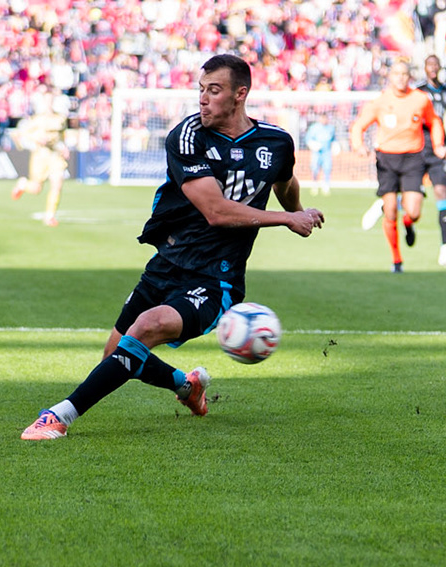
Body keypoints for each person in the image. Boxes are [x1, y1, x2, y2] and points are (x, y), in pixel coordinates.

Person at [21, 55, 323, 441]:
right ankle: (186, 385)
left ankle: (57, 416)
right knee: (115, 354)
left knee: (146, 327)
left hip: (218, 277)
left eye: (214, 90)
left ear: (240, 94)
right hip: (168, 260)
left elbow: (284, 181)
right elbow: (215, 212)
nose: (203, 99)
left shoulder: (276, 142)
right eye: (201, 89)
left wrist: (298, 213)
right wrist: (286, 220)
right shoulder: (187, 136)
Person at [363, 60, 442, 274]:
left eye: (404, 74)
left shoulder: (420, 99)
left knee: (414, 211)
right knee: (390, 211)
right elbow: (358, 126)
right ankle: (397, 260)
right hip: (386, 159)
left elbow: (434, 122)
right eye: (396, 73)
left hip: (413, 158)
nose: (400, 77)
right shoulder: (380, 101)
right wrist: (359, 146)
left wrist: (439, 144)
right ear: (390, 76)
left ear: (410, 77)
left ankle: (408, 222)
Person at [418, 55, 446, 266]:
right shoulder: (418, 91)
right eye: (429, 64)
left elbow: (443, 123)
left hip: (438, 149)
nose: (433, 68)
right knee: (411, 199)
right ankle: (387, 208)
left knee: (442, 192)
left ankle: (445, 247)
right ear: (425, 68)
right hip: (418, 147)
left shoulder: (445, 92)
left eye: (436, 64)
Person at [9, 109, 69, 225]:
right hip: (40, 156)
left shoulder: (60, 118)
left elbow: (62, 136)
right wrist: (36, 138)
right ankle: (23, 184)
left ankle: (50, 216)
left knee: (57, 184)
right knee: (36, 189)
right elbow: (21, 134)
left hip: (56, 156)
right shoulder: (36, 119)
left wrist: (64, 147)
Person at [302, 116, 335, 196]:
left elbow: (333, 139)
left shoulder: (331, 128)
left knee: (327, 168)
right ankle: (314, 185)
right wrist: (313, 145)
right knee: (315, 168)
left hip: (327, 151)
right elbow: (308, 139)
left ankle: (326, 186)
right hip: (316, 152)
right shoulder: (314, 128)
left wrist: (335, 145)